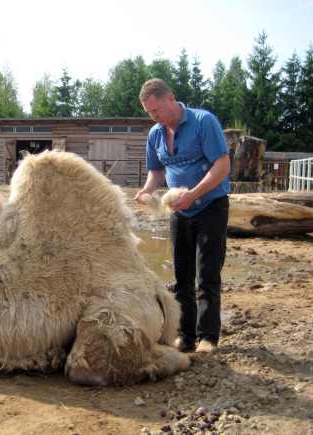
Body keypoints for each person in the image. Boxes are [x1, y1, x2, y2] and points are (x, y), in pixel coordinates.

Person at [134, 78, 231, 353]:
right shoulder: (156, 134)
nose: (153, 117)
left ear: (170, 99)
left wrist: (193, 194)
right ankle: (186, 335)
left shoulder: (204, 122)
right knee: (181, 277)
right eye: (149, 113)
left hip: (211, 206)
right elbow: (157, 171)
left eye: (155, 110)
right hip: (179, 211)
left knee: (208, 275)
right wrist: (147, 190)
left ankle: (208, 337)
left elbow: (222, 164)